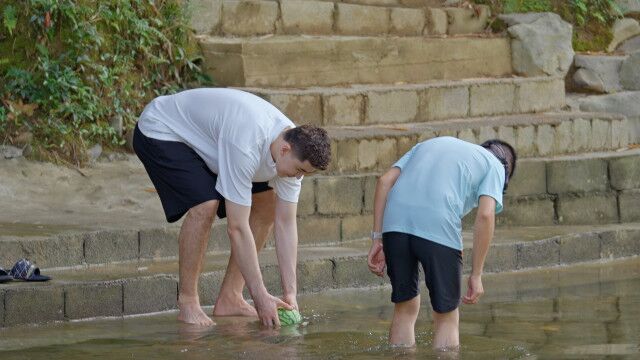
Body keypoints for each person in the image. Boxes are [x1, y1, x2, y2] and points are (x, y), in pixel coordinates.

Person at [133, 88, 331, 327]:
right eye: (299, 171)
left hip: (211, 143)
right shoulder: (246, 143)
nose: (299, 177)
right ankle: (188, 303)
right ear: (285, 150)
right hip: (162, 130)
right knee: (205, 205)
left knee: (267, 204)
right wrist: (260, 296)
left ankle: (230, 297)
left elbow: (286, 223)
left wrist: (291, 293)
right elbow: (236, 228)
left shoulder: (293, 147)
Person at [367, 137, 516, 350]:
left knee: (405, 308)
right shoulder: (496, 166)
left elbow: (384, 181)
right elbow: (485, 215)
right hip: (437, 224)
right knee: (446, 317)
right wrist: (476, 274)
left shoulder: (428, 145)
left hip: (395, 224)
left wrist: (377, 239)